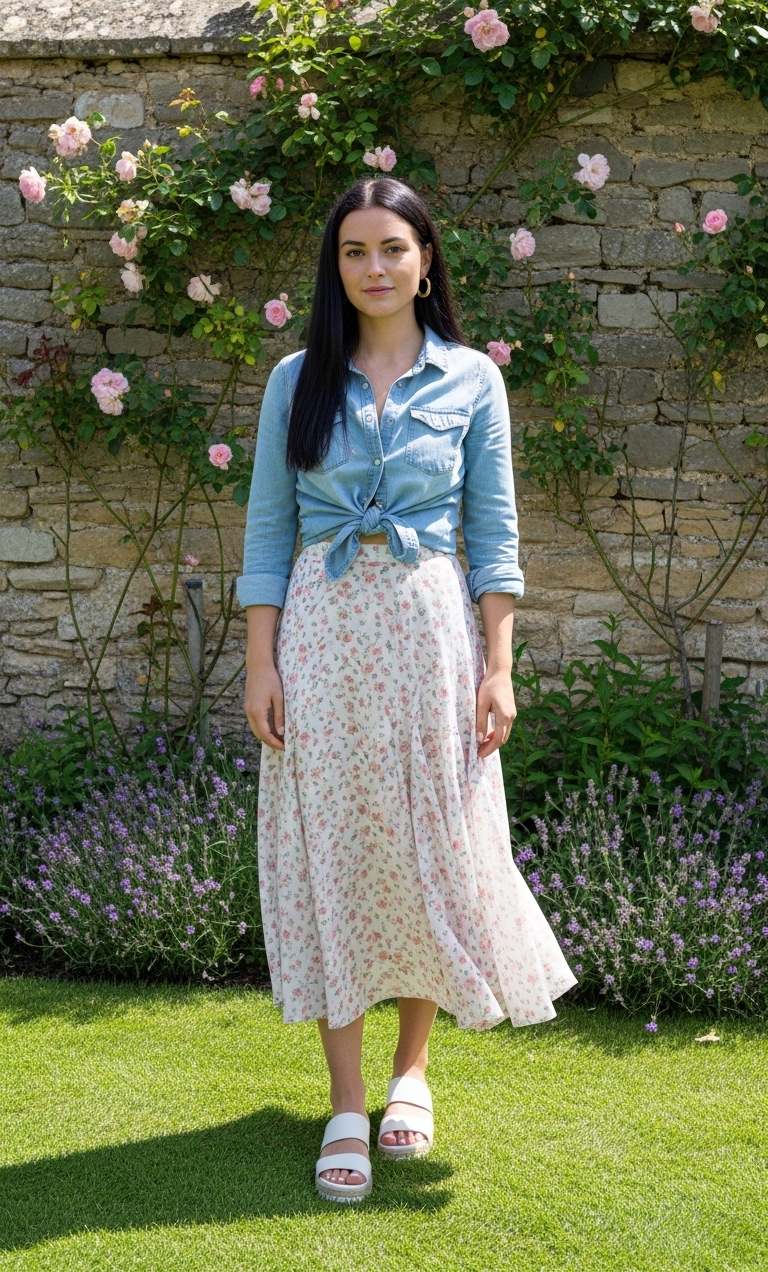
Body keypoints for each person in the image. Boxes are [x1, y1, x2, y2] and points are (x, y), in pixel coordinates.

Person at [238, 177, 576, 1203]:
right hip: (325, 635)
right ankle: (346, 1098)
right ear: (334, 268)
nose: (375, 267)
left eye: (393, 247)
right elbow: (267, 530)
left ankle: (411, 1073)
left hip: (431, 637)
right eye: (354, 251)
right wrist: (262, 661)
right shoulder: (296, 379)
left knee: (431, 840)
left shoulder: (473, 379)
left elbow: (495, 537)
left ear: (426, 260)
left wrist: (501, 664)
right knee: (334, 843)